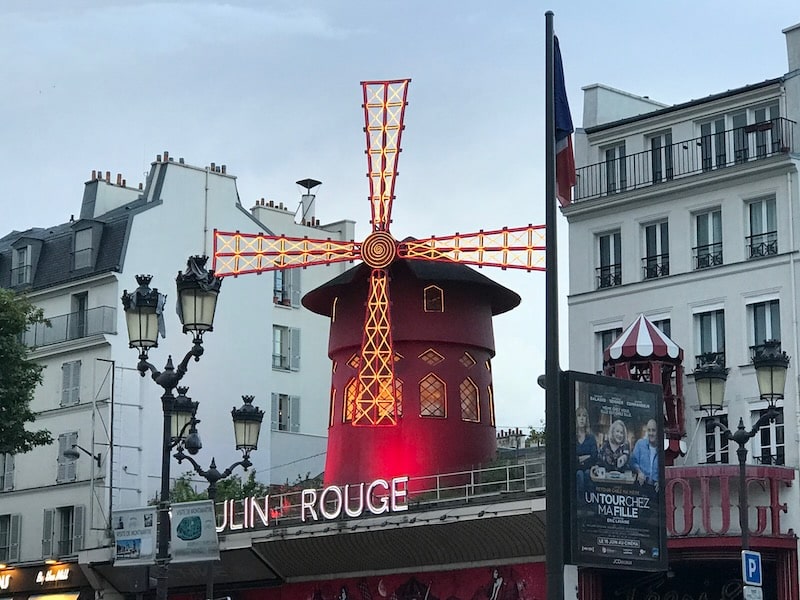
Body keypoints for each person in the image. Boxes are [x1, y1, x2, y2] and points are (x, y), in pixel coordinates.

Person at [631, 419, 659, 492]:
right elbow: (633, 461)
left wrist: (660, 482)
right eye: (649, 430)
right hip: (641, 485)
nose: (651, 433)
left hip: (655, 488)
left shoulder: (662, 448)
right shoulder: (640, 444)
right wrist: (639, 472)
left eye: (653, 430)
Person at [575, 407, 597, 495]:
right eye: (579, 416)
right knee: (579, 474)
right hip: (576, 470)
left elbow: (594, 456)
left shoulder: (591, 437)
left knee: (588, 474)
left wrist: (580, 458)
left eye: (584, 416)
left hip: (589, 469)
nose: (581, 418)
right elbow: (572, 458)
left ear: (586, 419)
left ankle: (589, 501)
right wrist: (587, 456)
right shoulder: (573, 437)